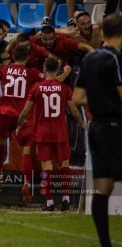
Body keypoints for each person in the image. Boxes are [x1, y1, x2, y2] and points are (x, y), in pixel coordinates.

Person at [0, 46, 70, 200]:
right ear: (27, 58)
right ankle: (26, 183)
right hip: (23, 115)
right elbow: (51, 82)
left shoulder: (5, 69)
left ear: (13, 56)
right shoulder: (32, 72)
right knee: (25, 150)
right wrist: (66, 72)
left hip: (5, 112)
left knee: (1, 140)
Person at [73, 13, 122, 247]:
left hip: (96, 126)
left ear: (101, 33)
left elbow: (78, 97)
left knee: (102, 186)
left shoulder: (89, 59)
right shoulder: (116, 59)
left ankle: (105, 244)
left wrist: (99, 99)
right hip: (115, 125)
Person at [17, 57, 86, 211]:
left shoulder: (37, 88)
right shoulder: (64, 88)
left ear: (44, 70)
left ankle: (49, 202)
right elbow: (74, 111)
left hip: (42, 132)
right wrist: (82, 123)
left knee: (46, 165)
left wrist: (19, 125)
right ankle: (66, 199)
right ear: (57, 71)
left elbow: (25, 112)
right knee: (64, 163)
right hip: (60, 131)